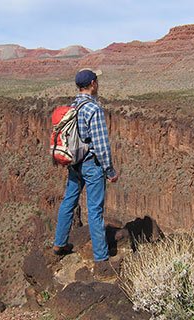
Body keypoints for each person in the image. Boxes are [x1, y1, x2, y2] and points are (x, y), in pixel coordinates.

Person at [52, 68, 118, 263]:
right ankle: (101, 258)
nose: (97, 84)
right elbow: (101, 145)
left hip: (74, 163)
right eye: (96, 80)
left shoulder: (73, 107)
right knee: (95, 210)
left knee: (68, 202)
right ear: (92, 84)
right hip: (91, 164)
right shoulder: (93, 109)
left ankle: (59, 243)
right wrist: (110, 171)